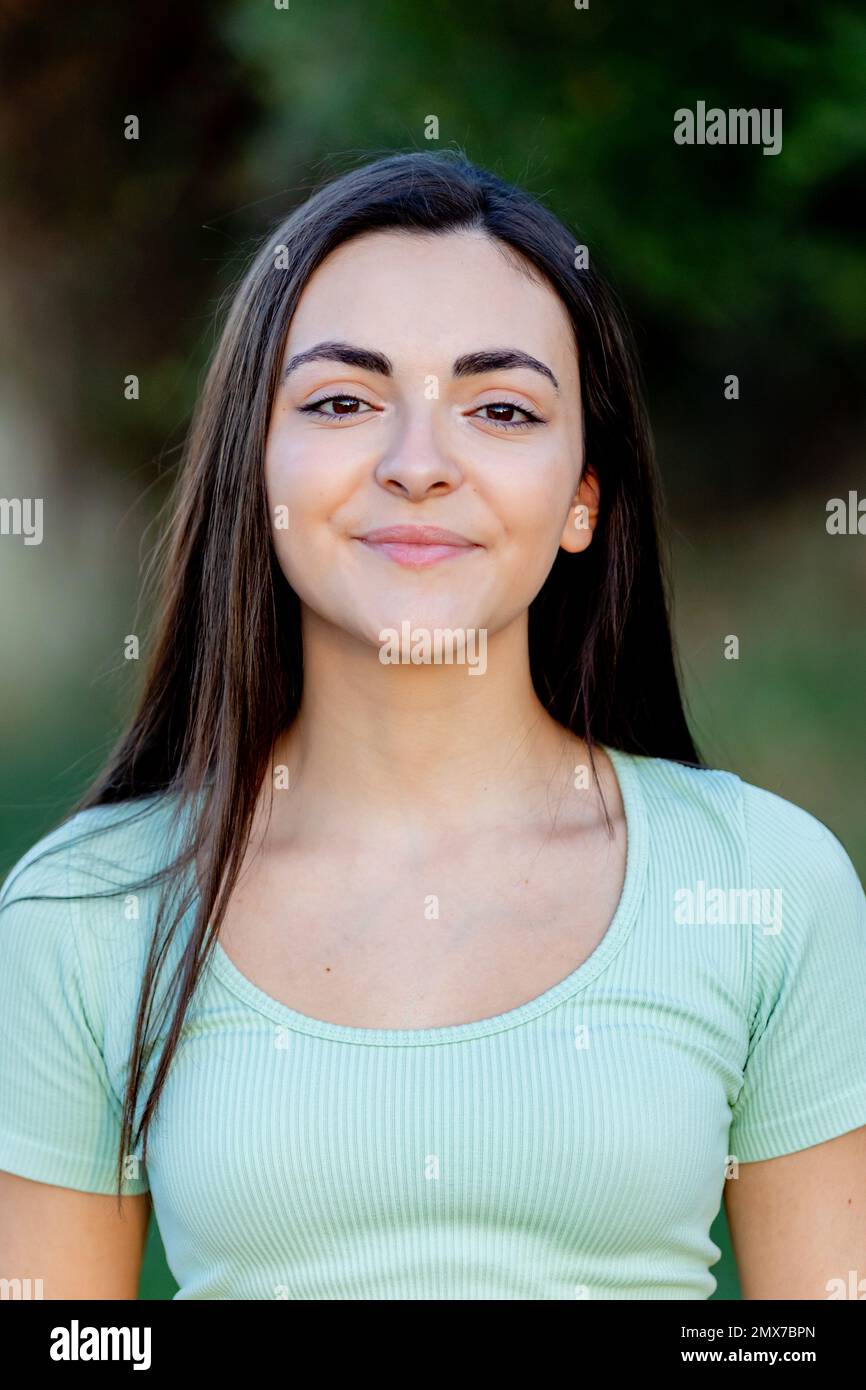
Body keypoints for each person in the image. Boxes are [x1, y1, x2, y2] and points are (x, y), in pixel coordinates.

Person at [1, 151, 864, 1301]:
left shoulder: (767, 884)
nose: (417, 466)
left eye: (500, 409)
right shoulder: (86, 909)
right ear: (254, 471)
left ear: (580, 500)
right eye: (342, 402)